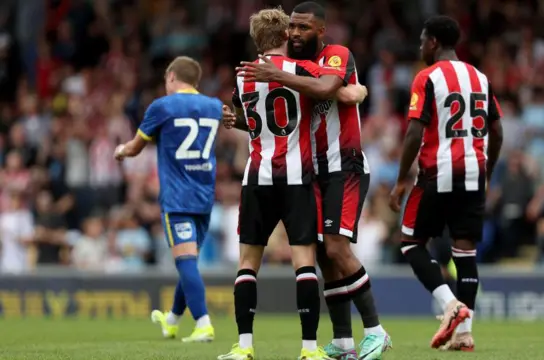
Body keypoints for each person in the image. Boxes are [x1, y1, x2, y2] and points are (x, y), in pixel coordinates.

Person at [235, 2, 391, 359]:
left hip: (344, 165)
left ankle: (376, 331)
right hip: (311, 171)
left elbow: (327, 89)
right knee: (322, 254)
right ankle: (343, 342)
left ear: (320, 31)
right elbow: (279, 116)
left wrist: (278, 75)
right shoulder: (292, 68)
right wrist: (242, 119)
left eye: (304, 28)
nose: (295, 33)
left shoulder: (336, 55)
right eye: (292, 27)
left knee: (336, 247)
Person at [388, 16, 503, 351]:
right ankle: (465, 334)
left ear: (433, 42)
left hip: (437, 173)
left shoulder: (427, 77)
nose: (421, 47)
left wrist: (399, 181)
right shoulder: (480, 77)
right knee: (465, 253)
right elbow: (496, 131)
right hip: (472, 175)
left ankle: (450, 305)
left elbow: (413, 131)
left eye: (423, 41)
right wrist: (488, 171)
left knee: (410, 242)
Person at [114, 56, 221, 343]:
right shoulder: (214, 106)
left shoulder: (162, 106)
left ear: (171, 76)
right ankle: (172, 320)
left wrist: (121, 150)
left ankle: (203, 323)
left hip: (178, 197)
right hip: (205, 195)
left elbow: (136, 149)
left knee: (185, 262)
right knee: (188, 261)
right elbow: (230, 118)